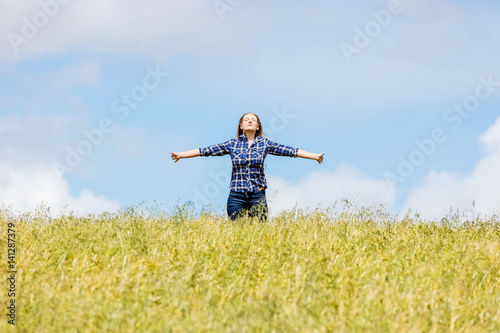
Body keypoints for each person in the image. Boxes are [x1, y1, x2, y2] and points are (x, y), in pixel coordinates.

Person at [171, 113, 324, 222]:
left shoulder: (265, 143)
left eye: (253, 120)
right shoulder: (232, 144)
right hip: (236, 196)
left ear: (258, 126)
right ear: (241, 126)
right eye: (246, 120)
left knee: (259, 235)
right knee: (237, 233)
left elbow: (291, 151)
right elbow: (206, 151)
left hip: (258, 196)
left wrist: (315, 156)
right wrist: (181, 155)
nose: (250, 121)